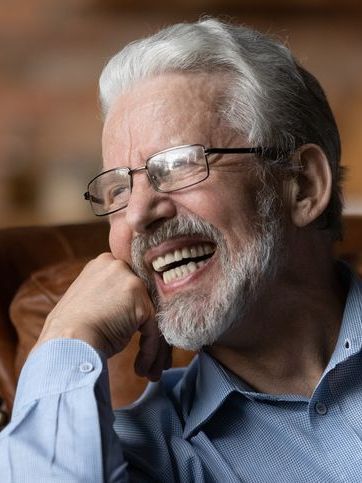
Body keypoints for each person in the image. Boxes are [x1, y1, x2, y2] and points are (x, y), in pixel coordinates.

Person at [1, 17, 361, 482]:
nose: (137, 215)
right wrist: (67, 333)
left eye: (177, 165)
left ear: (303, 185)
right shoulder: (144, 455)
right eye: (117, 190)